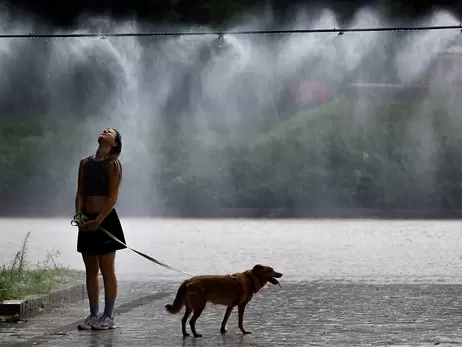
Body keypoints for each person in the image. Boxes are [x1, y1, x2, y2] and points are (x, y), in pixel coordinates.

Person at [74, 127, 126, 331]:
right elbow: (80, 193)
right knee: (90, 270)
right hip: (86, 221)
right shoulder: (85, 163)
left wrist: (99, 220)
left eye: (110, 132)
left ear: (113, 144)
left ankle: (108, 316)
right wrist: (79, 216)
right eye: (105, 129)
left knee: (106, 269)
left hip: (105, 221)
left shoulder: (113, 165)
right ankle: (93, 314)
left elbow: (113, 197)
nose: (105, 131)